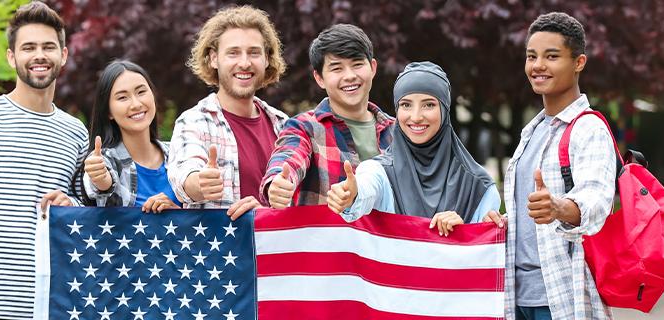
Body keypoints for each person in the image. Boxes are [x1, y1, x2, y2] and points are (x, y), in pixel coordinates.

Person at [0, 2, 87, 319]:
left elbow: (84, 203)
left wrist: (72, 203)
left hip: (53, 305)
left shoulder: (76, 133)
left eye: (49, 46)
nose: (39, 55)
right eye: (28, 47)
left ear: (63, 55)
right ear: (12, 57)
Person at [497, 12, 617, 320]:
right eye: (531, 56)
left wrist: (559, 207)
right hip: (516, 295)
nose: (538, 66)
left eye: (552, 56)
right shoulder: (533, 130)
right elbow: (526, 216)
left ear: (578, 63)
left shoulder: (588, 128)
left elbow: (595, 200)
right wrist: (498, 221)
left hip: (560, 296)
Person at [326, 61, 502, 236]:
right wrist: (353, 195)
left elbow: (482, 255)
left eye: (429, 105)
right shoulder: (380, 172)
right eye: (406, 105)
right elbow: (367, 187)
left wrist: (464, 234)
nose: (416, 117)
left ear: (444, 110)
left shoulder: (480, 187)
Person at [167, 5, 289, 219]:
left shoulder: (284, 126)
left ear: (267, 59)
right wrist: (199, 183)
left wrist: (277, 205)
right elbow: (184, 175)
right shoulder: (194, 122)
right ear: (214, 59)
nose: (244, 63)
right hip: (220, 251)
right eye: (233, 53)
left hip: (276, 250)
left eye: (254, 52)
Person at [260, 24, 394, 209]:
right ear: (319, 78)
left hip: (389, 237)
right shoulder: (304, 128)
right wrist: (278, 182)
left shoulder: (398, 131)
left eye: (357, 64)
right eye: (337, 68)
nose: (349, 76)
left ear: (372, 68)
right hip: (328, 237)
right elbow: (289, 156)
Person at [70, 60, 182, 212]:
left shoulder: (180, 154)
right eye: (122, 97)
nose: (136, 104)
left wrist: (178, 216)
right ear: (108, 111)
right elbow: (100, 185)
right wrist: (100, 178)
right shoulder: (106, 160)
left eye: (141, 92)